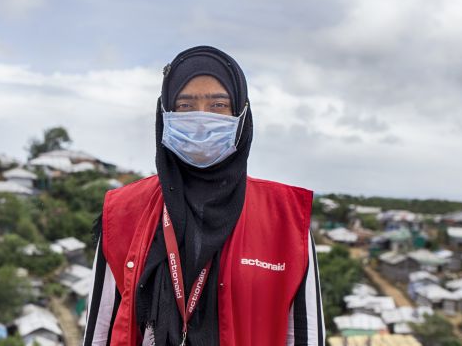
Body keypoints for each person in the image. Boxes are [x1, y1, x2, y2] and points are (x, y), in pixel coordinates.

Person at [83, 46, 324, 346]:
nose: (200, 120)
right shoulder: (124, 212)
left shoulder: (286, 219)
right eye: (185, 106)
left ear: (241, 115)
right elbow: (101, 330)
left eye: (218, 105)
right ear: (165, 114)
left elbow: (304, 336)